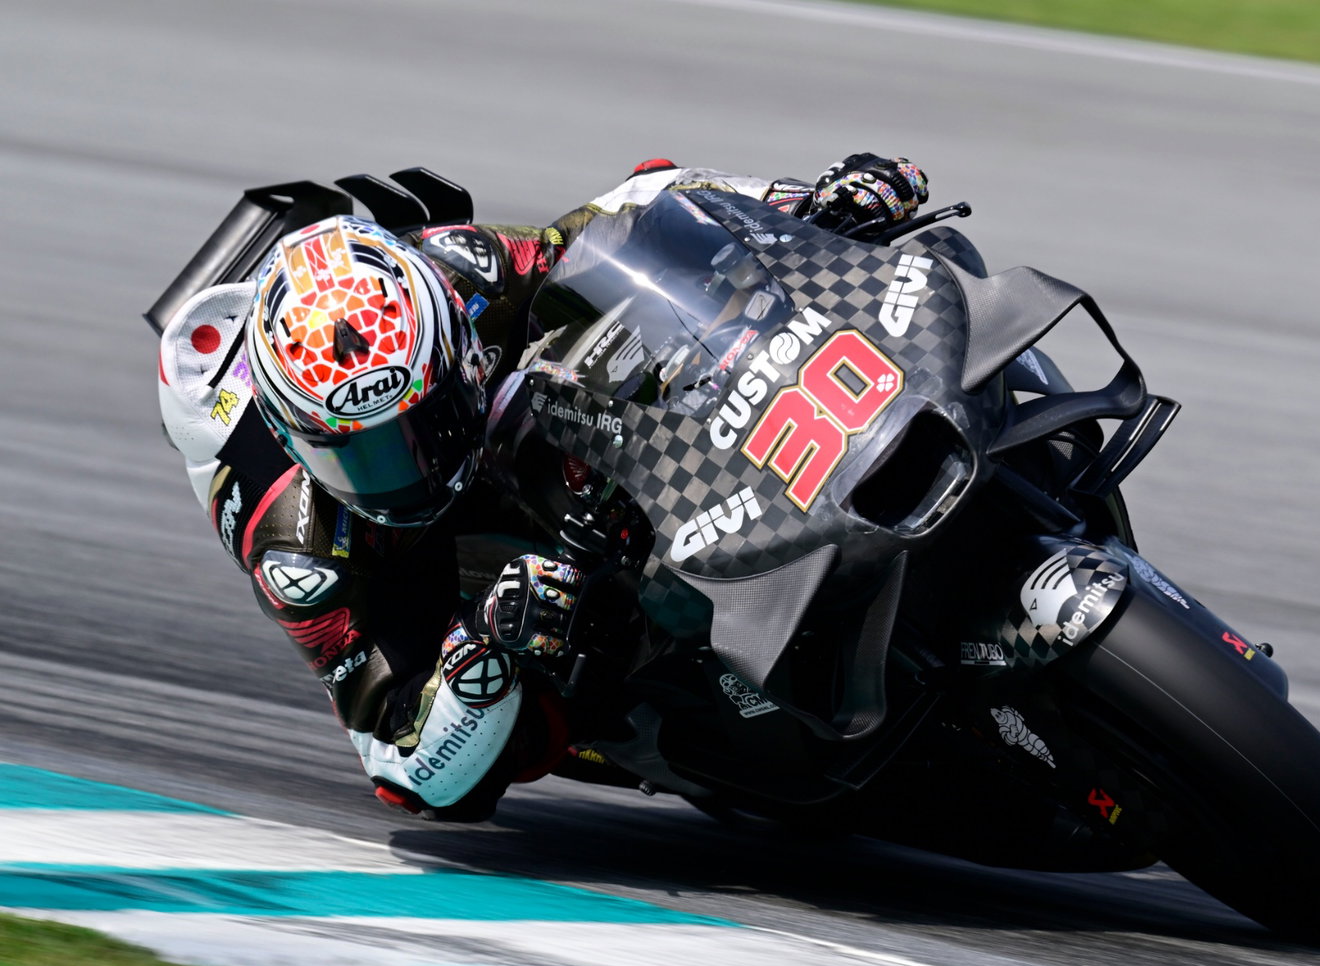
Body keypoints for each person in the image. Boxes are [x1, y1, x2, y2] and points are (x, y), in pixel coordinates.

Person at [156, 154, 929, 822]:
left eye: (419, 428)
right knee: (558, 684)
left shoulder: (467, 276)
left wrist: (801, 205)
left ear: (453, 351)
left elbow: (637, 209)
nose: (409, 467)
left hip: (571, 447)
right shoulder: (299, 549)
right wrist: (485, 645)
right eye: (367, 456)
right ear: (299, 440)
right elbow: (401, 768)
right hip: (461, 590)